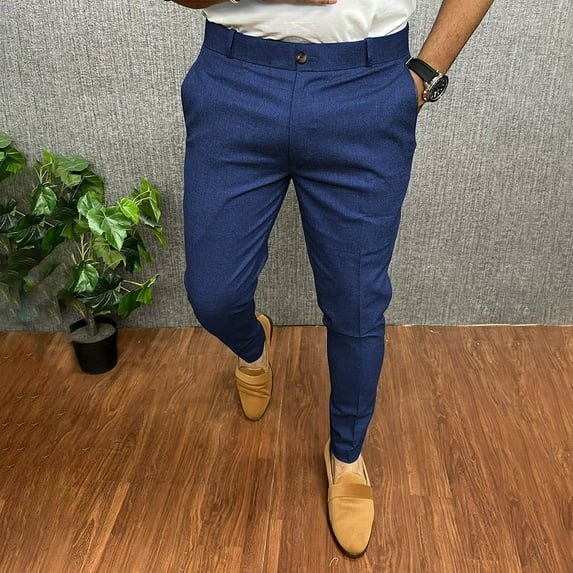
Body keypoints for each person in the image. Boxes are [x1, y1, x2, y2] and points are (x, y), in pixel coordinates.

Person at [172, 0, 493, 558]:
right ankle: (253, 345)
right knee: (213, 293)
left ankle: (346, 456)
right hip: (234, 85)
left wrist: (424, 75)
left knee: (356, 303)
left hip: (366, 91)